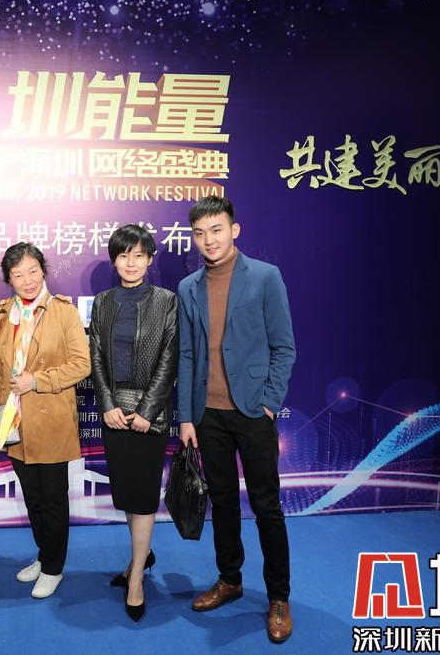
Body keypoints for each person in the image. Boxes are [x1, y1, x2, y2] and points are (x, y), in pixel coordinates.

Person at [176, 196, 297, 643]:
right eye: (200, 233)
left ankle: (279, 597)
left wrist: (269, 403)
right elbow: (186, 354)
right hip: (207, 416)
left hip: (252, 413)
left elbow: (284, 346)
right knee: (223, 502)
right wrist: (186, 417)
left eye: (216, 230)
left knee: (266, 506)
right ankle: (230, 579)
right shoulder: (188, 287)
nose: (209, 240)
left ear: (234, 230)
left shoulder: (265, 276)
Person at [88, 224, 178, 622]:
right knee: (127, 496)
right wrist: (106, 404)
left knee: (142, 499)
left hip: (148, 417)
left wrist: (147, 411)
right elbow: (95, 357)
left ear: (150, 260)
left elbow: (169, 359)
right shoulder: (103, 302)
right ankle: (139, 558)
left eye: (139, 255)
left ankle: (137, 577)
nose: (131, 262)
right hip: (114, 415)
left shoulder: (167, 301)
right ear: (114, 260)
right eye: (124, 255)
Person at [0, 242, 90, 599]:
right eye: (18, 274)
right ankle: (44, 554)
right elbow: (0, 369)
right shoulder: (4, 313)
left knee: (52, 499)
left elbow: (82, 364)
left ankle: (53, 567)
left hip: (50, 418)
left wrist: (37, 380)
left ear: (43, 271)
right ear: (9, 279)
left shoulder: (63, 311)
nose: (27, 280)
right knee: (32, 497)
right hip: (15, 420)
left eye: (33, 271)